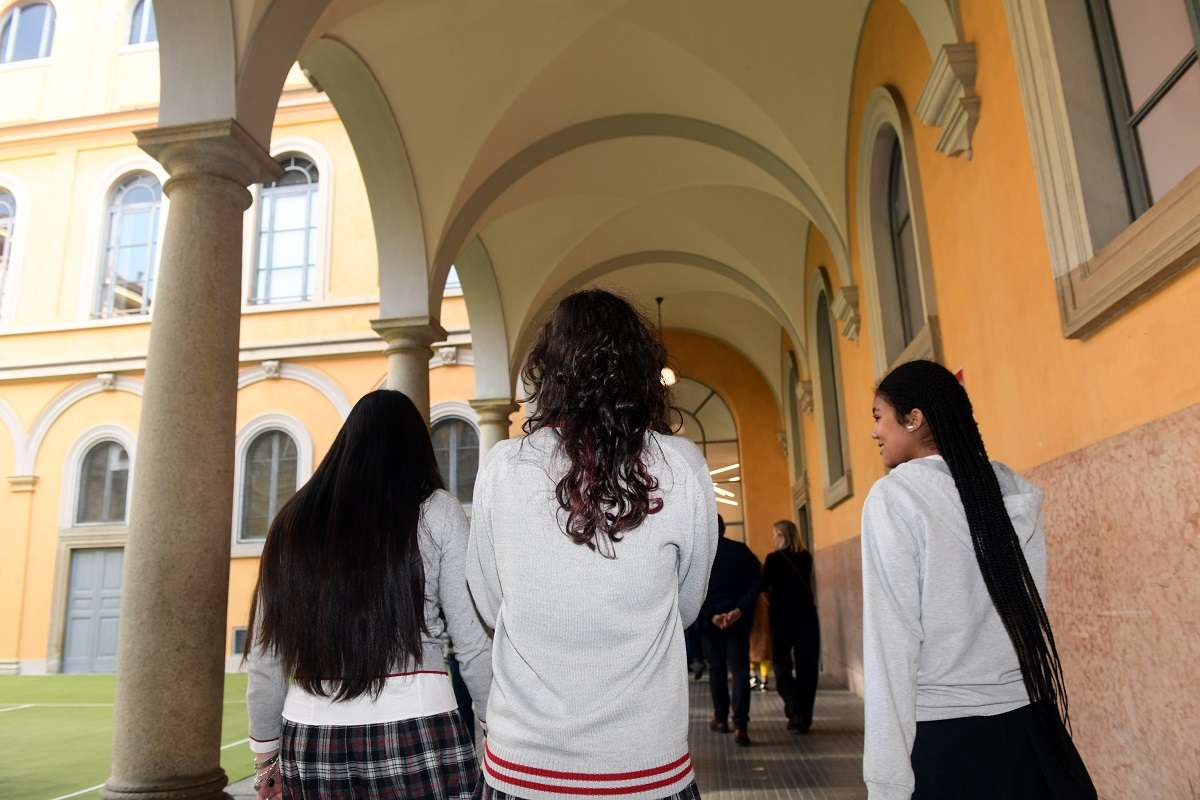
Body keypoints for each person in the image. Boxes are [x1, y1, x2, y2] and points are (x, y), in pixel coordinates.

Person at [466, 289, 717, 800]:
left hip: (525, 766)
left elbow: (491, 604)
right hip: (645, 764)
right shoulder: (681, 465)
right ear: (641, 370)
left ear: (550, 369)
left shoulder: (502, 468)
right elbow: (686, 604)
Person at [862, 360, 1095, 799]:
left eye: (879, 417)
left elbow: (890, 645)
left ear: (913, 419)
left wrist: (886, 782)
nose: (875, 432)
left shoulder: (896, 498)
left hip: (947, 741)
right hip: (1031, 733)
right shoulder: (1005, 487)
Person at [244, 390, 492, 800]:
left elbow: (267, 660)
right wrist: (491, 729)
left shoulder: (291, 524)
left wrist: (266, 759)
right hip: (419, 728)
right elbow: (473, 643)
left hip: (311, 741)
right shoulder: (437, 511)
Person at [698, 515, 761, 746]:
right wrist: (739, 610)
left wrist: (712, 615)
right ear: (724, 529)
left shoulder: (701, 557)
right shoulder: (741, 551)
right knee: (740, 670)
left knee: (716, 670)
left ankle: (721, 718)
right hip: (737, 622)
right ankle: (741, 725)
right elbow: (756, 583)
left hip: (710, 623)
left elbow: (692, 592)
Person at [762, 519, 820, 732]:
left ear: (782, 536)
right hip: (807, 617)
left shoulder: (773, 559)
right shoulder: (806, 558)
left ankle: (794, 706)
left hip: (782, 619)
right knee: (807, 669)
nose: (773, 538)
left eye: (775, 534)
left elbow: (762, 586)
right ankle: (803, 717)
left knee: (781, 665)